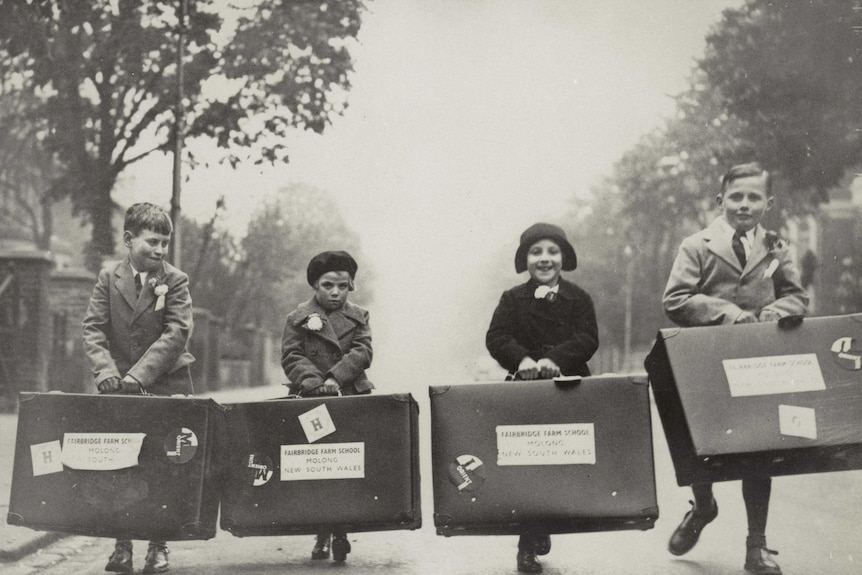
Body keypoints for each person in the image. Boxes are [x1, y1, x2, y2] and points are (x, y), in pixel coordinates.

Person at [660, 162, 808, 575]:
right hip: (705, 363)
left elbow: (797, 297)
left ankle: (756, 546)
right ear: (720, 199)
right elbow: (675, 299)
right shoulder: (696, 244)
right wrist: (728, 314)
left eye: (754, 197)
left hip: (757, 364)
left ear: (768, 203)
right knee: (701, 446)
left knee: (760, 450)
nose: (744, 204)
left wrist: (773, 312)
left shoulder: (777, 247)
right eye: (736, 196)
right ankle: (703, 506)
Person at [82, 202, 195, 574]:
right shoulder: (107, 278)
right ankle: (122, 546)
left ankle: (158, 546)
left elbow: (176, 332)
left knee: (164, 465)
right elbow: (94, 329)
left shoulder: (175, 280)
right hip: (117, 387)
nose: (160, 250)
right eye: (153, 241)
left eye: (165, 243)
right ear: (129, 240)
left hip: (164, 384)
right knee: (120, 465)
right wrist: (105, 372)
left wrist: (139, 376)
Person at [486, 222, 599, 573]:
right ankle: (526, 540)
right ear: (525, 260)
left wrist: (557, 359)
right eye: (536, 252)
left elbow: (587, 338)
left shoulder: (579, 298)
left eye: (552, 251)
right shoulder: (512, 299)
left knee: (562, 456)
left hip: (569, 387)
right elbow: (497, 336)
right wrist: (523, 361)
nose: (545, 259)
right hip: (526, 390)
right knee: (528, 460)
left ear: (564, 257)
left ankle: (545, 522)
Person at [281, 250, 373, 562]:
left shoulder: (359, 316)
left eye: (343, 286)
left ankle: (342, 531)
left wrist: (336, 376)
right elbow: (291, 356)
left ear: (351, 287)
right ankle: (321, 532)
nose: (335, 292)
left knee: (346, 465)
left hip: (348, 396)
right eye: (328, 285)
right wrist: (314, 381)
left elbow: (363, 352)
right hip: (312, 399)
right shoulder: (298, 318)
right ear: (315, 286)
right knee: (318, 466)